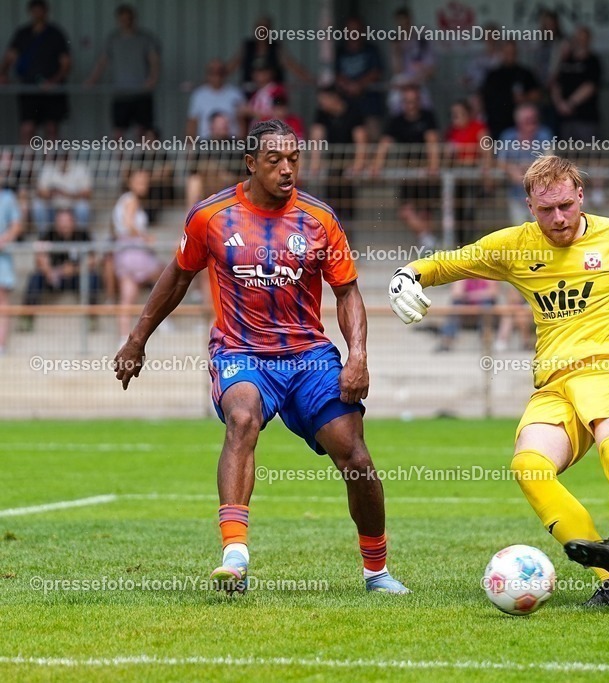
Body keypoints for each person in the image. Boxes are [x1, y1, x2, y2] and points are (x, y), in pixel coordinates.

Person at [387, 155, 609, 606]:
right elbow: (448, 264)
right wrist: (407, 274)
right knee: (528, 467)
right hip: (555, 384)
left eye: (565, 206)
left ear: (580, 196)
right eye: (545, 210)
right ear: (529, 206)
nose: (557, 218)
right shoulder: (515, 246)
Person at [114, 120, 409, 596]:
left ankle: (377, 572)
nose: (287, 169)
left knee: (355, 455)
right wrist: (136, 339)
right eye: (275, 160)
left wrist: (358, 356)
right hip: (241, 350)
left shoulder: (319, 219)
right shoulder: (211, 216)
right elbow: (177, 277)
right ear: (251, 163)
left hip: (308, 356)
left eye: (293, 159)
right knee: (242, 418)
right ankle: (235, 556)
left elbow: (347, 292)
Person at [370, 85, 440, 247]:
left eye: (413, 101)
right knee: (405, 211)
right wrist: (376, 165)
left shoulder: (427, 117)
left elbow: (432, 141)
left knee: (425, 212)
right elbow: (385, 143)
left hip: (425, 172)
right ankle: (430, 242)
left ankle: (428, 248)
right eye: (407, 101)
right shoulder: (397, 120)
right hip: (408, 172)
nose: (410, 105)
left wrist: (433, 165)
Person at [83, 4, 161, 140]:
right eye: (123, 19)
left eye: (128, 18)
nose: (126, 22)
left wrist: (153, 79)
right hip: (120, 94)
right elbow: (102, 62)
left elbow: (154, 60)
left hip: (141, 93)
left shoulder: (145, 39)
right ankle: (120, 155)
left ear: (134, 19)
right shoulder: (113, 39)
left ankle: (141, 154)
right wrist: (92, 80)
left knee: (143, 132)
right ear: (118, 20)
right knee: (118, 133)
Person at [0, 0, 71, 144]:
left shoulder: (55, 34)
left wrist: (53, 82)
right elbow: (9, 57)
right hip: (28, 89)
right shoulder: (23, 34)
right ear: (30, 13)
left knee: (51, 129)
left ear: (46, 12)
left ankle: (50, 158)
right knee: (27, 129)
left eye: (40, 11)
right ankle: (27, 159)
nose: (38, 15)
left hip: (51, 91)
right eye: (35, 11)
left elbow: (66, 63)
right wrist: (3, 74)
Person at [22, 207, 99, 327]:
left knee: (93, 278)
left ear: (73, 222)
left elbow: (93, 259)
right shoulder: (49, 234)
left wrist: (75, 269)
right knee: (35, 278)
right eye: (61, 221)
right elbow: (39, 257)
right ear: (56, 222)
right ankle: (27, 316)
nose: (64, 225)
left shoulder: (83, 235)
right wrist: (49, 272)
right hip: (54, 277)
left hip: (76, 277)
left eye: (66, 221)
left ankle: (92, 316)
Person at [112, 169, 162, 339]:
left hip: (124, 252)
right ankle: (162, 320)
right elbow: (128, 223)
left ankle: (123, 337)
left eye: (145, 182)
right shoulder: (131, 199)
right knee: (165, 278)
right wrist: (145, 237)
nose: (144, 185)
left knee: (128, 296)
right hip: (134, 251)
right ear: (130, 182)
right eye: (140, 181)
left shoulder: (124, 199)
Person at [309, 87, 368, 221]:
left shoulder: (353, 111)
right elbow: (316, 137)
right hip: (332, 165)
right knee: (331, 206)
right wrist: (315, 163)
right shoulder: (322, 113)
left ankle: (347, 232)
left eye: (323, 100)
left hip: (349, 164)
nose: (321, 104)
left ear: (334, 98)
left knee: (348, 207)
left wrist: (358, 163)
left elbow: (361, 139)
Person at [496, 104, 554, 227]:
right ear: (518, 121)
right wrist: (511, 169)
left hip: (540, 194)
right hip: (515, 194)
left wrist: (527, 169)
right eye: (527, 119)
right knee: (519, 229)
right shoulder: (508, 136)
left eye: (534, 118)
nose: (531, 122)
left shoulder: (544, 134)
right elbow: (500, 162)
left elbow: (549, 160)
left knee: (540, 230)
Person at [445, 99, 489, 245]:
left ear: (468, 114)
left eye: (460, 114)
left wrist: (485, 171)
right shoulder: (451, 132)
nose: (456, 117)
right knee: (457, 210)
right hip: (458, 175)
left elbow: (486, 150)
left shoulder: (478, 127)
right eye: (453, 114)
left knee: (470, 210)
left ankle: (471, 243)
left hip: (473, 174)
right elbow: (448, 157)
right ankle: (459, 244)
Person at [480, 41, 541, 137]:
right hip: (496, 125)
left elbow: (537, 94)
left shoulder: (525, 73)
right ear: (501, 53)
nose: (510, 55)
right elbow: (483, 98)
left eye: (512, 52)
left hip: (519, 128)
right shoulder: (492, 75)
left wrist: (524, 98)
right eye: (507, 52)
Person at [31, 151, 92, 234]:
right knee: (38, 205)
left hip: (72, 207)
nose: (63, 160)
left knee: (83, 207)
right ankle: (43, 235)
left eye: (65, 156)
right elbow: (40, 191)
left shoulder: (80, 169)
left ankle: (81, 235)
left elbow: (87, 192)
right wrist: (52, 193)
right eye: (60, 156)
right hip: (53, 207)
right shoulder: (48, 169)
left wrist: (66, 193)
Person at [186, 60, 246, 140]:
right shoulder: (199, 95)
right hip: (205, 143)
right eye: (212, 72)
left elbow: (242, 122)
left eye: (219, 72)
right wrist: (190, 143)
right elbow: (192, 122)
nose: (216, 76)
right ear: (207, 74)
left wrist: (243, 143)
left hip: (232, 143)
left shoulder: (236, 94)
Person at [437, 278, 500, 352]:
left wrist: (469, 295)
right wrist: (479, 295)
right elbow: (456, 294)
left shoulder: (489, 274)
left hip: (482, 310)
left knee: (487, 305)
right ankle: (447, 340)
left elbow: (493, 293)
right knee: (456, 304)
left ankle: (486, 340)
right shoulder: (462, 274)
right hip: (466, 311)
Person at [0, 185, 24, 354]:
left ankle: (1, 345)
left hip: (2, 257)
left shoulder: (7, 198)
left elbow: (16, 226)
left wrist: (3, 240)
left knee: (2, 300)